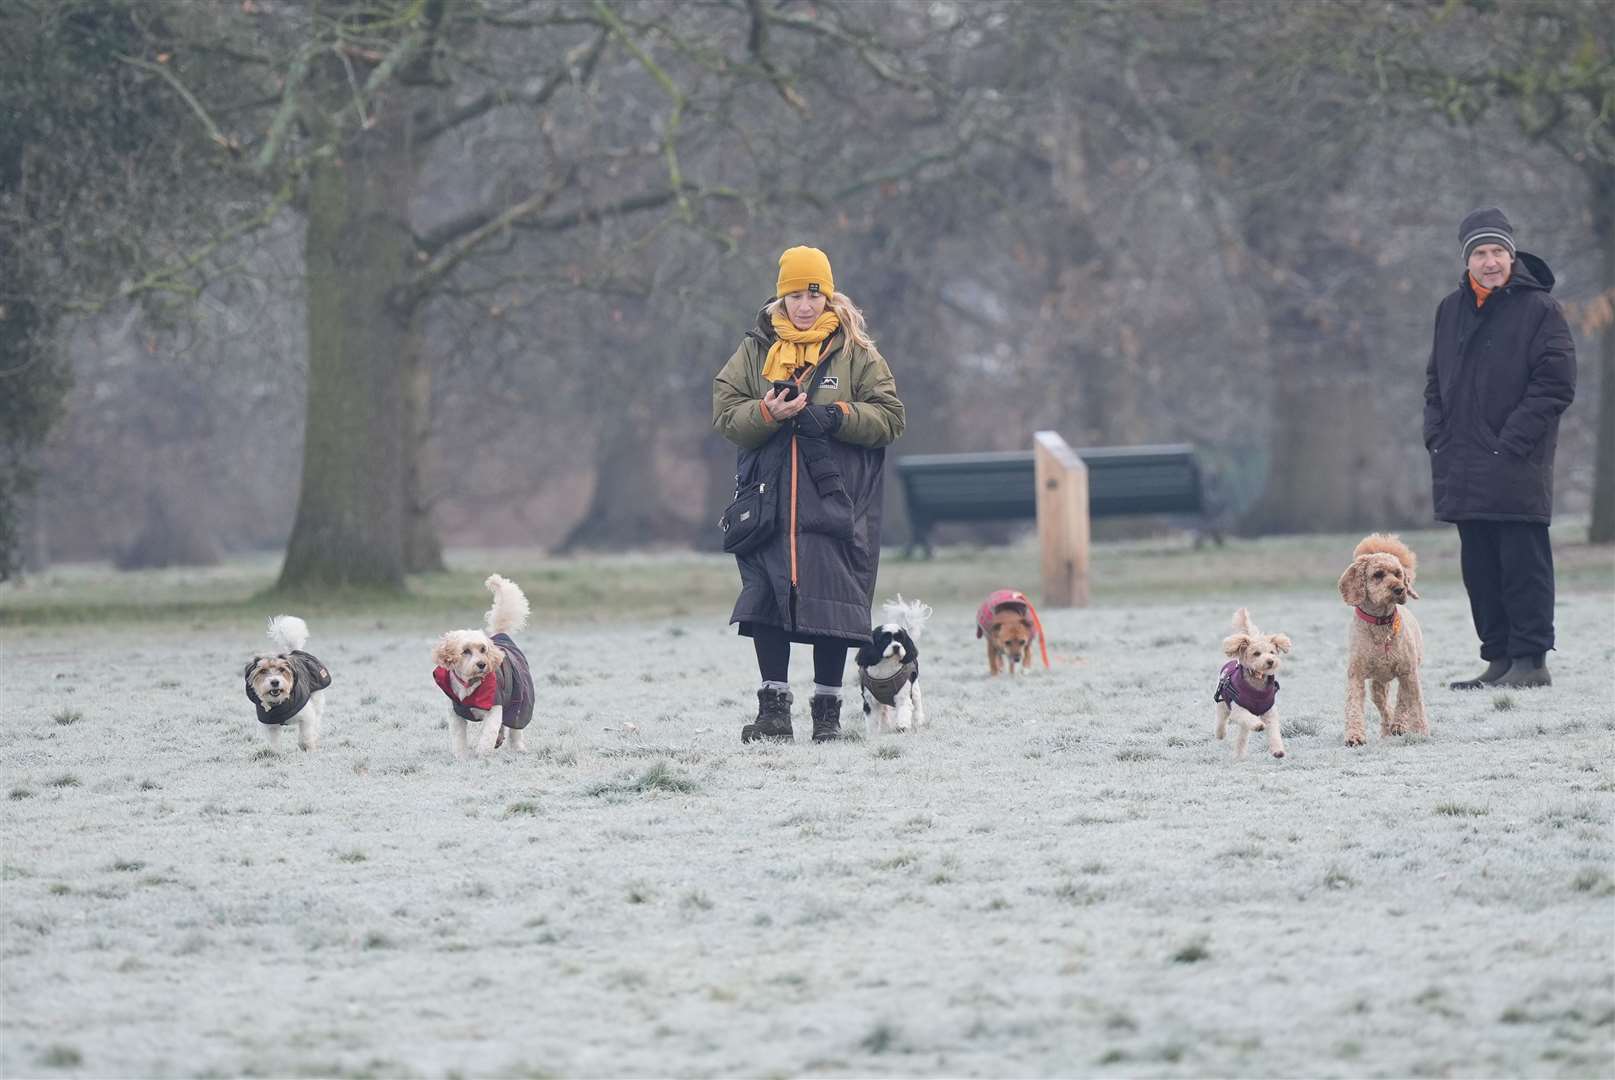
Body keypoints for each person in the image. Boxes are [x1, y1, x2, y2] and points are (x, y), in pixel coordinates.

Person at [712, 246, 905, 742]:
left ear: (829, 295)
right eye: (795, 295)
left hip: (835, 502)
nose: (804, 305)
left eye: (813, 294)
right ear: (781, 296)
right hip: (767, 503)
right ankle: (772, 713)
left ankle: (827, 715)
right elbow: (725, 414)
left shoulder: (857, 352)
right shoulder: (754, 349)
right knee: (766, 603)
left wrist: (837, 416)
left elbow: (890, 417)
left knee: (833, 606)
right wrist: (767, 414)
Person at [1425, 207, 1575, 689]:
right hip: (1461, 462)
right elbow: (1435, 382)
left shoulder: (1541, 310)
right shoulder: (1450, 309)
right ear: (1466, 259)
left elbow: (1555, 385)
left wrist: (1511, 440)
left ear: (1512, 255)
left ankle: (1531, 662)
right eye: (1481, 253)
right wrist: (1438, 435)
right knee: (1481, 566)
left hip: (1516, 461)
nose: (1491, 261)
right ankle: (1499, 658)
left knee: (1522, 561)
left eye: (1498, 252)